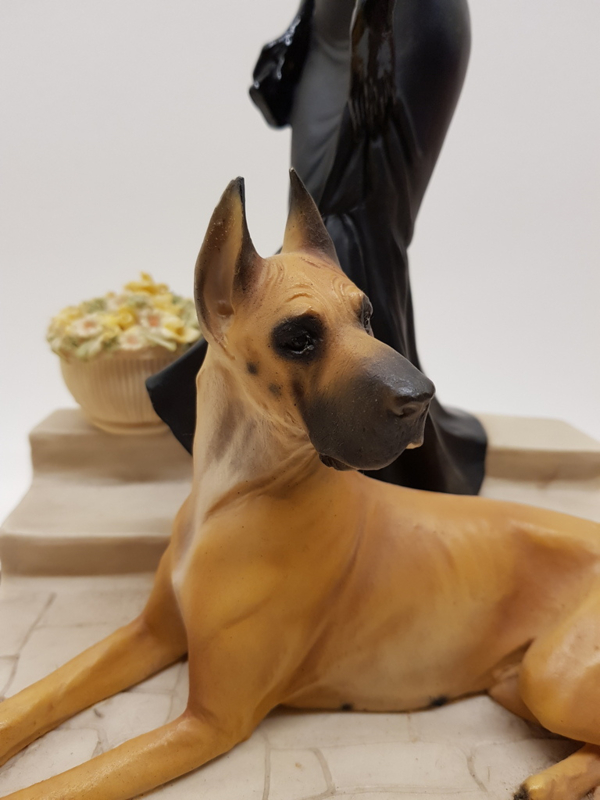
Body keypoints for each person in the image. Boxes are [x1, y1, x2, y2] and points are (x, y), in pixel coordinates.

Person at [148, 0, 487, 494]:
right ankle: (264, 409)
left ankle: (389, 456)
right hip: (329, 27)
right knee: (319, 224)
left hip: (399, 24)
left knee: (360, 222)